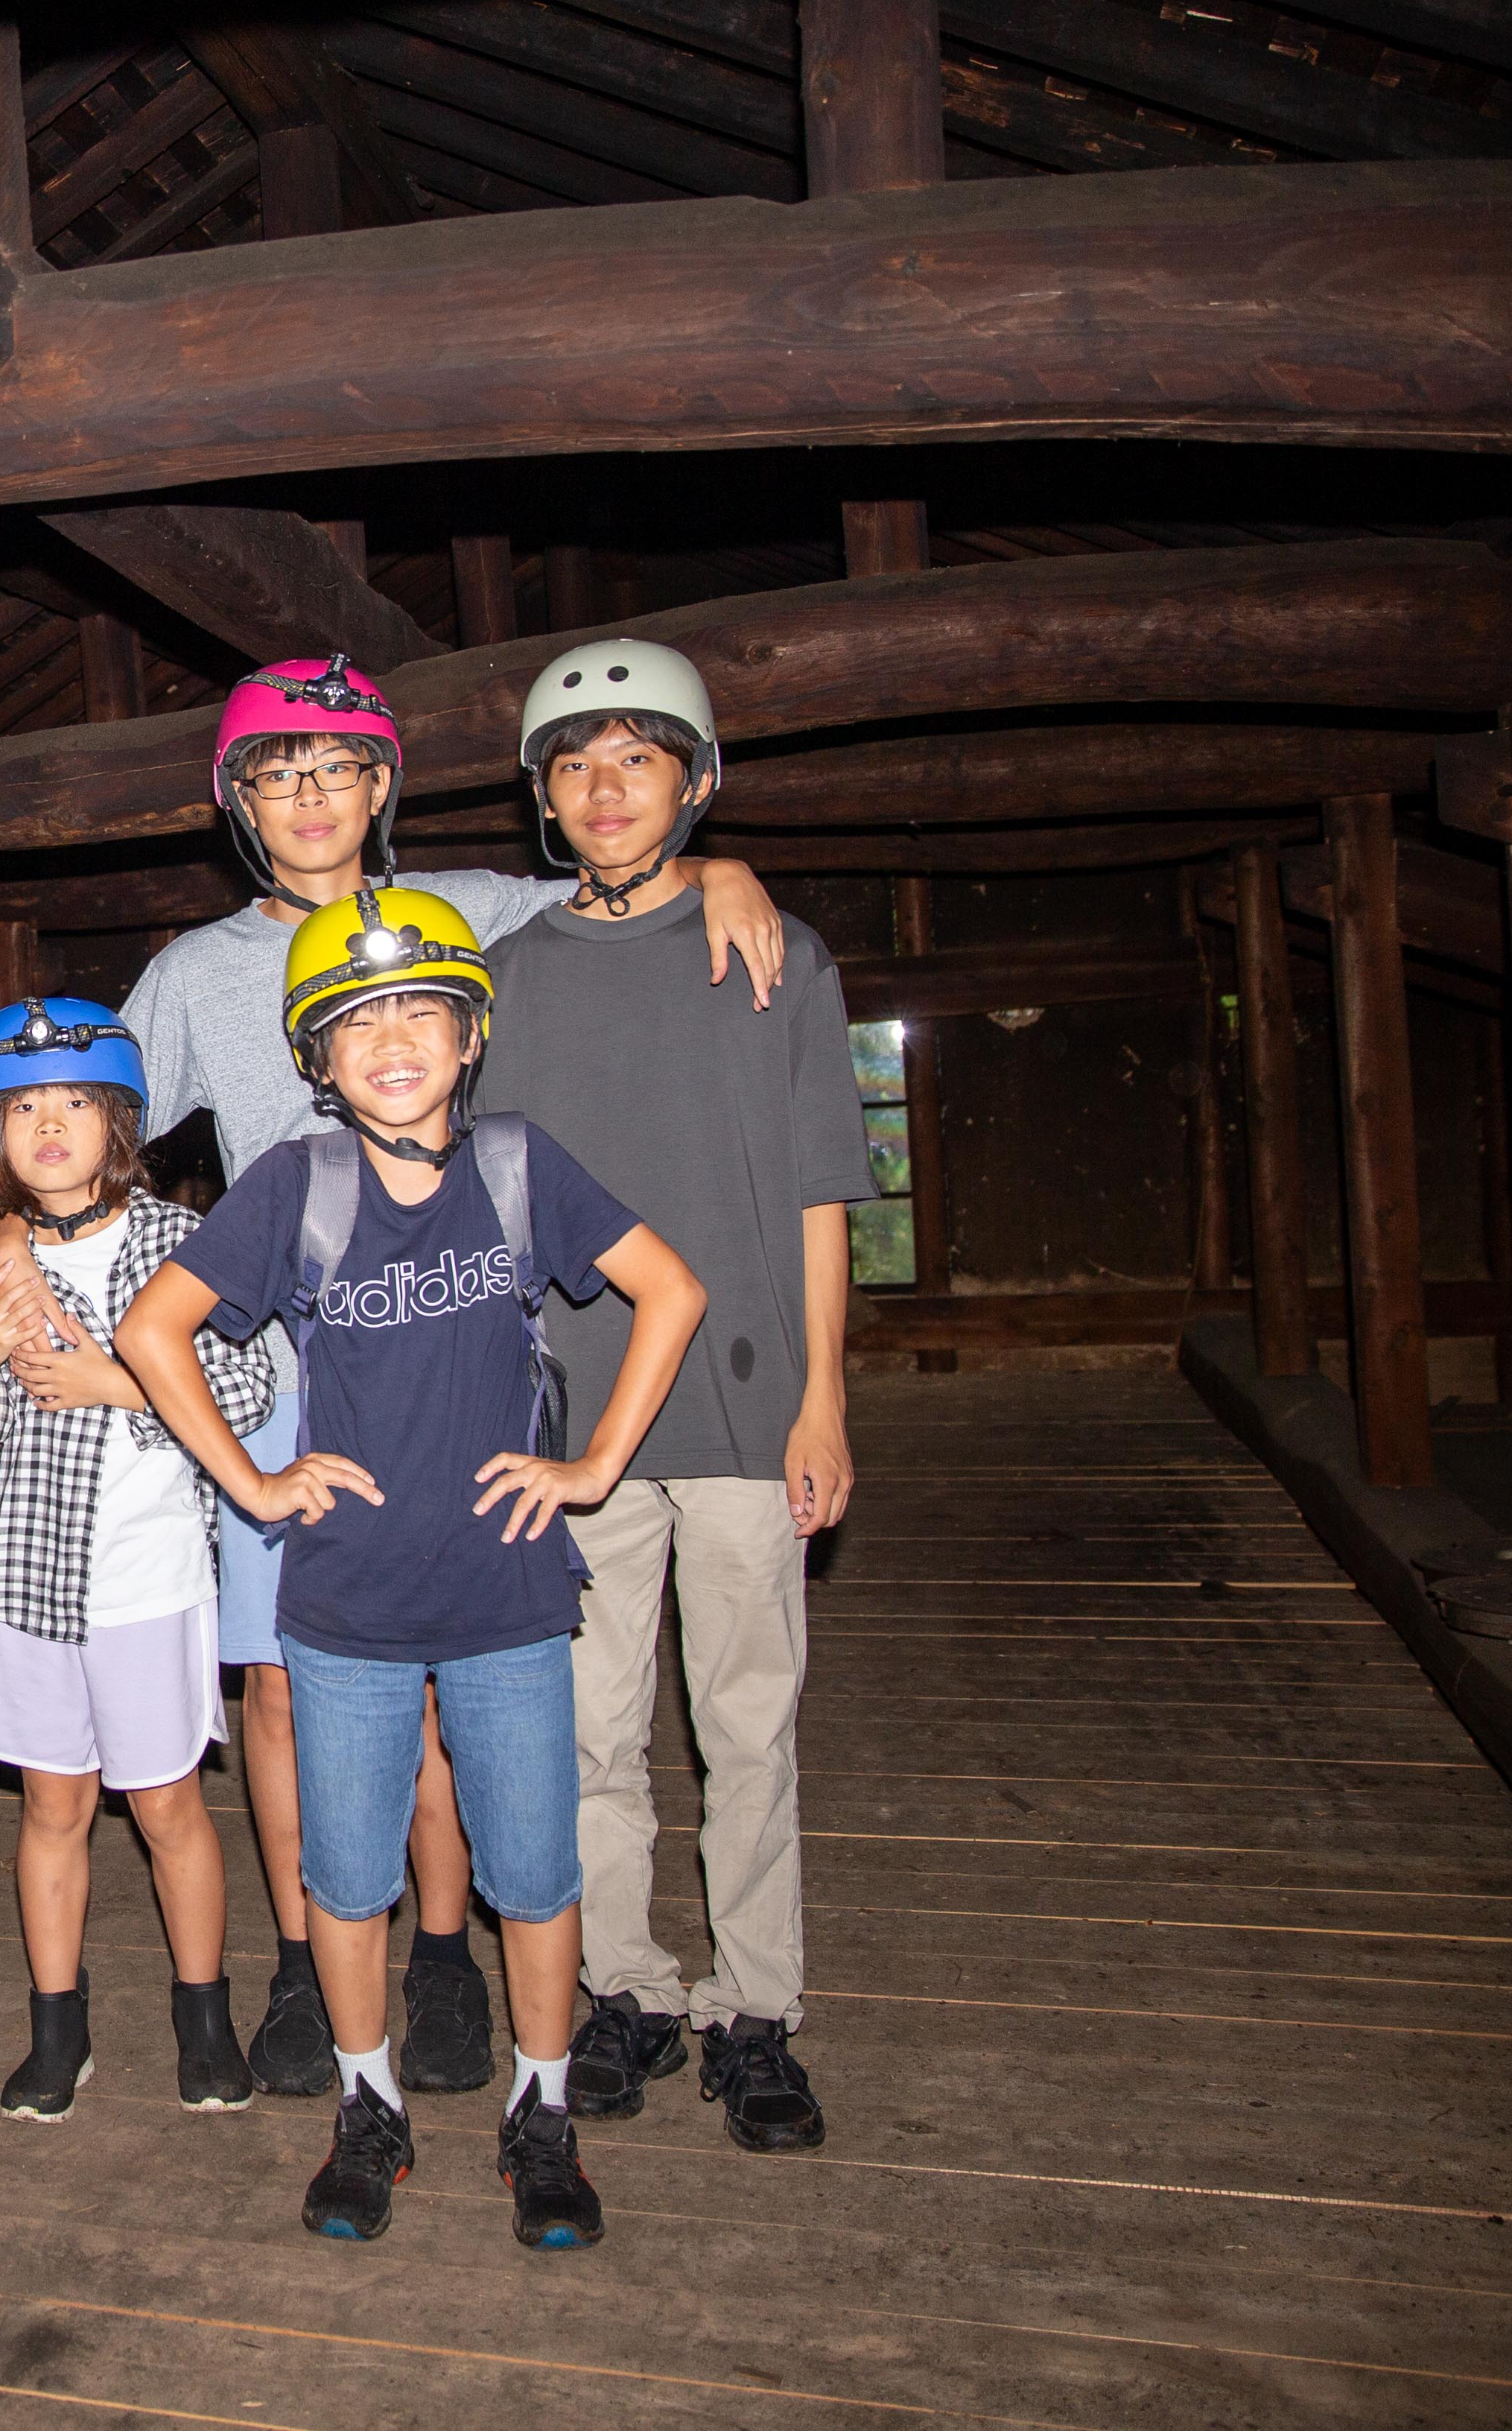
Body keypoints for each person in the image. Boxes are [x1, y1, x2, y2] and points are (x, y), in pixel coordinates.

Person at [0, 653, 780, 2105]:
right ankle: (308, 1960)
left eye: (337, 769)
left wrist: (721, 868)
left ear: (382, 787)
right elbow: (73, 1121)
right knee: (281, 1695)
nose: (309, 798)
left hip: (444, 1356)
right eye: (277, 776)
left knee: (434, 1697)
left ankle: (443, 1955)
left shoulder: (474, 909)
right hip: (270, 1374)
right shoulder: (196, 974)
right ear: (238, 805)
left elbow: (621, 881)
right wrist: (5, 1238)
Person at [118, 890, 705, 2251]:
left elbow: (671, 1289)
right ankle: (366, 2105)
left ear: (470, 1034)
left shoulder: (519, 1167)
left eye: (421, 1012)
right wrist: (255, 1484)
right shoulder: (296, 1185)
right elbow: (155, 1330)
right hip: (348, 1605)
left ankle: (541, 2114)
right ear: (317, 1059)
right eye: (359, 1021)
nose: (392, 1041)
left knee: (536, 1875)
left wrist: (593, 1467)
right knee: (346, 1878)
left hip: (507, 1597)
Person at [473, 637, 877, 2155]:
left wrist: (824, 1399)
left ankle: (755, 2008)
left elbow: (826, 1188)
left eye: (636, 759)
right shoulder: (509, 977)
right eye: (575, 766)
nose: (604, 788)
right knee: (591, 1731)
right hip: (578, 1415)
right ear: (544, 798)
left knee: (748, 1725)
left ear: (695, 781)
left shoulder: (777, 954)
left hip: (747, 1403)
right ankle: (627, 1988)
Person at [0, 997, 276, 2121]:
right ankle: (57, 2030)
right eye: (22, 1108)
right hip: (26, 1583)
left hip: (147, 1580)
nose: (49, 1125)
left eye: (76, 1103)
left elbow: (248, 1390)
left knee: (169, 1806)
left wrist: (116, 1384)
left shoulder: (179, 1246)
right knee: (52, 1808)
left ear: (119, 1122)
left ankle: (205, 2022)